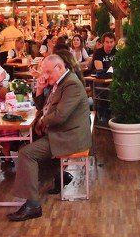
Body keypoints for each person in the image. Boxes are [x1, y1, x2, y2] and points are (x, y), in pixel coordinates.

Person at [8, 55, 91, 222]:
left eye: (47, 72)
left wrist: (41, 122)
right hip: (62, 132)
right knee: (29, 143)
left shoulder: (71, 84)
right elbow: (43, 107)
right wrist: (39, 89)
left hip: (70, 137)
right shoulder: (60, 82)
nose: (44, 76)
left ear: (59, 67)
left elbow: (59, 116)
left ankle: (33, 205)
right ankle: (59, 175)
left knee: (26, 153)